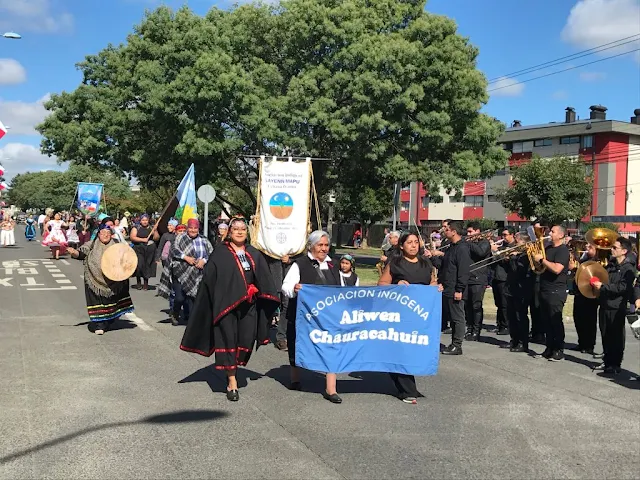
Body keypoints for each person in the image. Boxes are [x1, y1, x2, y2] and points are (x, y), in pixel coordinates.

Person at [180, 216, 279, 402]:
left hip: (249, 305)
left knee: (246, 339)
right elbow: (211, 278)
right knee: (228, 340)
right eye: (236, 229)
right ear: (229, 232)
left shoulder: (253, 252)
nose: (240, 231)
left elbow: (263, 276)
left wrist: (256, 289)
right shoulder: (221, 253)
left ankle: (233, 367)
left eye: (243, 229)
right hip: (227, 306)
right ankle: (231, 381)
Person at [281, 230, 343, 403]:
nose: (324, 249)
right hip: (303, 315)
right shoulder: (299, 264)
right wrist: (295, 288)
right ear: (311, 246)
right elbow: (286, 286)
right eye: (320, 245)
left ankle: (331, 389)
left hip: (328, 317)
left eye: (326, 245)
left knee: (331, 347)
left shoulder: (334, 265)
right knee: (297, 344)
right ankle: (295, 378)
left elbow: (341, 288)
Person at [379, 232, 440, 404]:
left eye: (416, 242)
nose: (413, 245)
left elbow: (432, 284)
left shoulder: (426, 263)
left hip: (419, 314)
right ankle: (407, 389)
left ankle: (403, 382)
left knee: (412, 349)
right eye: (409, 242)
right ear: (401, 245)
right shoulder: (395, 263)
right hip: (399, 314)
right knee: (401, 349)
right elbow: (382, 284)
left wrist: (437, 288)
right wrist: (395, 285)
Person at [67, 222, 134, 335]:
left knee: (112, 301)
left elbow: (127, 259)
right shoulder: (91, 244)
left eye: (108, 233)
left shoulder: (117, 245)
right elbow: (81, 254)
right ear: (98, 234)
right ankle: (99, 324)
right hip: (95, 279)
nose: (105, 235)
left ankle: (109, 319)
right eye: (103, 233)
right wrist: (74, 253)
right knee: (97, 301)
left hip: (113, 280)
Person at [591, 237, 635, 375]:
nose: (612, 249)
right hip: (605, 303)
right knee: (605, 334)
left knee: (616, 336)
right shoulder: (610, 265)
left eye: (615, 248)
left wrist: (603, 287)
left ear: (624, 251)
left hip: (616, 306)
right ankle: (608, 361)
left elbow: (622, 287)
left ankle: (615, 364)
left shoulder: (628, 268)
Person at [162, 218, 213, 326]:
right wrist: (186, 258)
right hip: (180, 272)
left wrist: (203, 261)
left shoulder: (204, 240)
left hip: (197, 274)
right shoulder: (180, 238)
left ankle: (192, 321)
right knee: (180, 298)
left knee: (192, 298)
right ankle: (175, 313)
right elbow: (174, 250)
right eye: (191, 228)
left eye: (195, 228)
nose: (193, 230)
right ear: (187, 228)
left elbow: (211, 254)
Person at [430, 221, 470, 355]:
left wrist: (459, 289)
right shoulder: (450, 247)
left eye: (447, 229)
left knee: (458, 317)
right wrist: (431, 258)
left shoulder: (462, 248)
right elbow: (444, 267)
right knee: (452, 318)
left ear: (454, 231)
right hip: (447, 287)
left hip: (455, 289)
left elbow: (463, 271)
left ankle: (457, 345)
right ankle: (453, 343)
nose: (444, 231)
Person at [533, 225, 570, 362]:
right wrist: (536, 260)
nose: (549, 233)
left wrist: (542, 260)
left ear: (560, 235)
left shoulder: (563, 250)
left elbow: (556, 269)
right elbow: (541, 267)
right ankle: (549, 347)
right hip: (544, 287)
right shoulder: (547, 248)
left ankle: (558, 349)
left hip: (556, 289)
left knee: (555, 320)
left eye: (553, 231)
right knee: (546, 320)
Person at [570, 243, 599, 355]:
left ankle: (589, 345)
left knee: (589, 320)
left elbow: (591, 273)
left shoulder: (598, 260)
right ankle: (581, 342)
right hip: (579, 291)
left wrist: (576, 267)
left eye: (590, 247)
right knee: (578, 317)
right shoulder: (584, 257)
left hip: (590, 293)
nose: (587, 248)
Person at [464, 222, 491, 340]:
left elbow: (481, 253)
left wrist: (469, 242)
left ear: (478, 231)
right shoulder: (469, 244)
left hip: (479, 278)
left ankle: (476, 330)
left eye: (470, 232)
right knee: (467, 305)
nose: (468, 234)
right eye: (467, 232)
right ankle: (469, 328)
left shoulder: (484, 243)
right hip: (468, 277)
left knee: (476, 305)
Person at [130, 214, 160, 290]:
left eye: (146, 220)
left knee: (148, 266)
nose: (145, 222)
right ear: (140, 221)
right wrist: (142, 240)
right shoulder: (136, 228)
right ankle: (138, 281)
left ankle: (146, 283)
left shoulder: (151, 228)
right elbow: (132, 237)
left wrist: (155, 230)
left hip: (149, 249)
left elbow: (156, 238)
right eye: (143, 220)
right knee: (139, 265)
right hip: (139, 248)